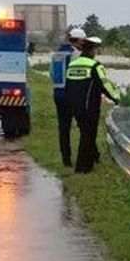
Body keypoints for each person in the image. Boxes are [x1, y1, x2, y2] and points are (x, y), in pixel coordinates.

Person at [65, 36, 120, 174]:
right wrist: (116, 98)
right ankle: (83, 168)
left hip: (75, 107)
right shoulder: (95, 66)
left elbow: (68, 87)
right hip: (90, 108)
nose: (97, 51)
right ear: (93, 50)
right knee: (89, 136)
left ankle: (85, 165)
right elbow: (105, 85)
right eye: (96, 49)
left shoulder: (72, 65)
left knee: (85, 134)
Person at [51, 27, 85, 167]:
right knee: (84, 126)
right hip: (72, 94)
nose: (83, 44)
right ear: (77, 41)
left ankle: (66, 160)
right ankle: (91, 156)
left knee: (64, 128)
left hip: (58, 94)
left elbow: (52, 73)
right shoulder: (75, 54)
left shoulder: (56, 53)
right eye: (82, 41)